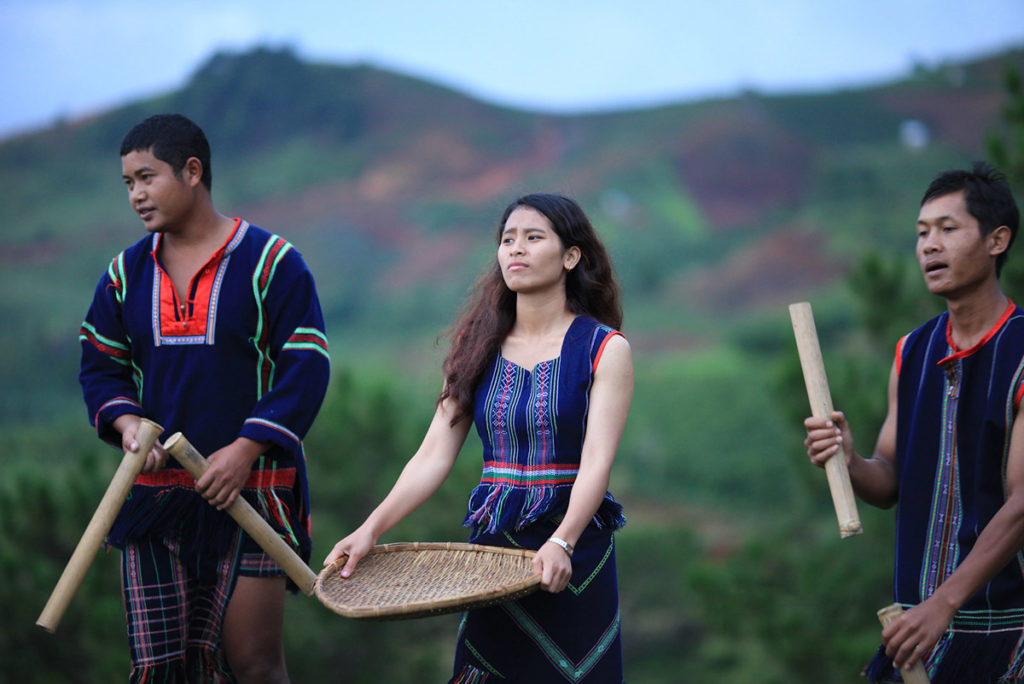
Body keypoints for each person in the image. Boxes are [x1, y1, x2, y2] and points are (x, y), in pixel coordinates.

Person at [325, 193, 633, 682]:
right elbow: (431, 456)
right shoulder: (477, 347)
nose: (516, 249)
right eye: (508, 239)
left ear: (571, 256)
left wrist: (563, 542)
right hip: (491, 554)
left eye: (534, 238)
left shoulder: (605, 349)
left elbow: (596, 462)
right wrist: (371, 528)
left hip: (574, 548)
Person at [79, 113, 330, 683]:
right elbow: (101, 368)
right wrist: (126, 426)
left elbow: (306, 365)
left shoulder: (272, 265)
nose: (137, 195)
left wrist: (244, 449)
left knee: (253, 664)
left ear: (192, 171)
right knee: (162, 670)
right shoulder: (123, 275)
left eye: (147, 177)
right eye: (128, 184)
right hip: (154, 499)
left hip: (255, 494)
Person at [804, 162, 1024, 683]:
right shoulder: (913, 351)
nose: (929, 246)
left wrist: (944, 603)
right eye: (922, 233)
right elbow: (888, 482)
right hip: (917, 637)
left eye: (948, 229)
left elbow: (1021, 505)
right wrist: (848, 458)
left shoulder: (1020, 352)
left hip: (1003, 635)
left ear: (997, 240)